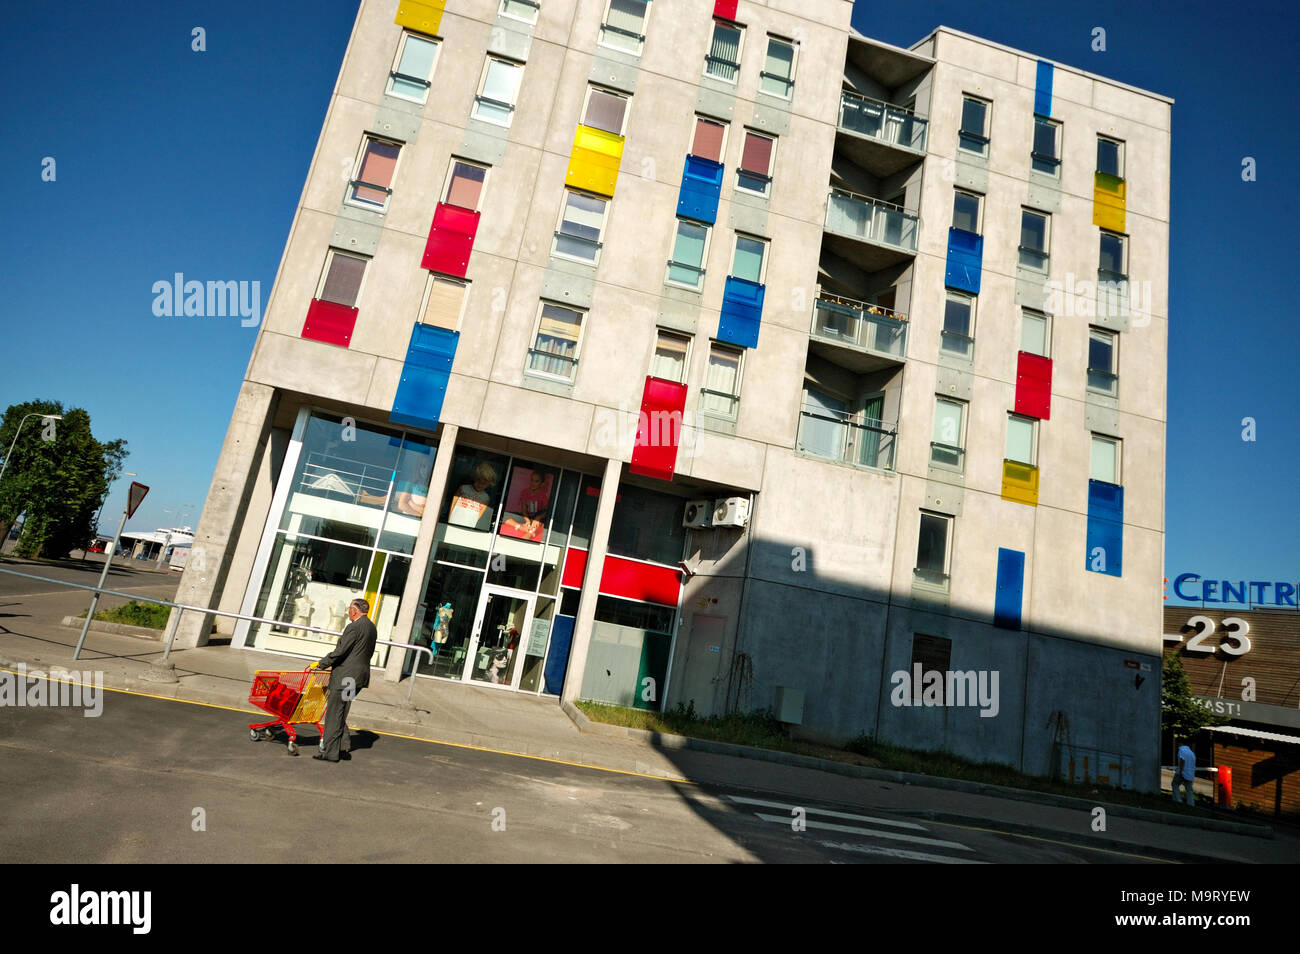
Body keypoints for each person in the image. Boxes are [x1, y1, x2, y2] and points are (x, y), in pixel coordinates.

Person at [313, 598, 377, 763]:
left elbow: (341, 651)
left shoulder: (354, 627)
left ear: (354, 611)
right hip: (358, 677)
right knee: (341, 711)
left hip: (346, 676)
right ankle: (343, 747)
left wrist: (323, 663)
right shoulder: (371, 627)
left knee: (334, 713)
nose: (348, 612)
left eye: (349, 609)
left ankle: (330, 753)